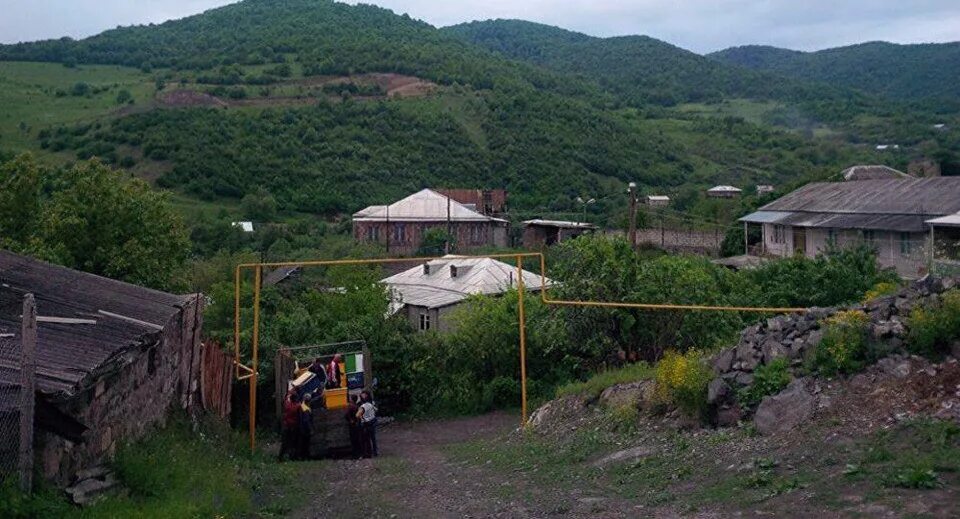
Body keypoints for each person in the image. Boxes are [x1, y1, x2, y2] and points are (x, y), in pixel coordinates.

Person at [278, 390, 300, 462]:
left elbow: (284, 400)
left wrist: (288, 392)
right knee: (293, 442)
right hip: (293, 426)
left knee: (285, 443)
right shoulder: (297, 406)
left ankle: (280, 457)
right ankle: (292, 457)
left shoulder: (287, 405)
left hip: (286, 426)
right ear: (295, 399)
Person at [356, 390, 378, 458]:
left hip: (367, 422)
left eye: (364, 394)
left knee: (369, 438)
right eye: (362, 394)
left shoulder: (364, 405)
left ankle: (371, 452)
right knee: (371, 438)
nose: (363, 396)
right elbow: (376, 410)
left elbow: (357, 415)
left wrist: (362, 417)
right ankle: (373, 452)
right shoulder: (370, 403)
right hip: (371, 421)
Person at [345, 394, 362, 459]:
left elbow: (346, 415)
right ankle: (359, 454)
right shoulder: (356, 406)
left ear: (351, 399)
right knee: (357, 440)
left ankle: (355, 455)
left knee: (354, 440)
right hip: (357, 424)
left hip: (353, 425)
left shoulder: (350, 406)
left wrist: (350, 420)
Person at [298, 393, 314, 460]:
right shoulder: (306, 409)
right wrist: (310, 429)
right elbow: (306, 421)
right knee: (306, 443)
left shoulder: (303, 406)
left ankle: (303, 456)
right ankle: (305, 457)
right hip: (305, 429)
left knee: (303, 443)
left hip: (302, 428)